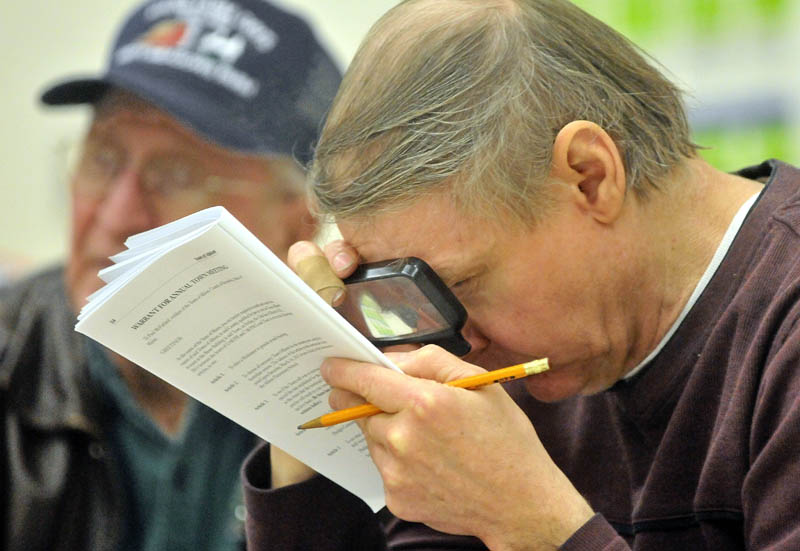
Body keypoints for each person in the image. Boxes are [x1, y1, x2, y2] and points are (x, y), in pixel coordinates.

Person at [241, 0, 800, 549]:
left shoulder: (782, 324)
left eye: (460, 286)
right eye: (410, 295)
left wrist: (534, 526)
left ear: (589, 176)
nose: (458, 346)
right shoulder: (543, 350)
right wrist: (319, 388)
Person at [0, 1, 341, 550]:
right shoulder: (11, 361)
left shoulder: (360, 409)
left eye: (176, 173)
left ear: (297, 221)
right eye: (103, 159)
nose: (115, 217)